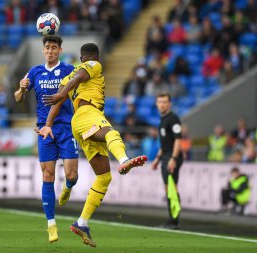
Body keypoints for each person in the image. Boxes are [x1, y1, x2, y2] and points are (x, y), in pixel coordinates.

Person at [39, 43, 147, 247]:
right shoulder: (93, 65)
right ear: (92, 58)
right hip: (89, 114)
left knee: (104, 176)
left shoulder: (65, 79)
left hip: (78, 123)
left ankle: (82, 222)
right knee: (112, 133)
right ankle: (124, 159)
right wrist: (63, 95)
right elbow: (77, 80)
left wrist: (48, 124)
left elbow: (58, 102)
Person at [13, 35, 79, 243]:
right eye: (47, 48)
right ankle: (51, 224)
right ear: (43, 51)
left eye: (54, 48)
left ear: (60, 50)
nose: (50, 51)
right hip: (44, 130)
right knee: (47, 175)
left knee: (72, 174)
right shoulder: (35, 72)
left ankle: (68, 186)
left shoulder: (68, 70)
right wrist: (22, 88)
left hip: (67, 128)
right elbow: (18, 98)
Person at [151, 92, 184, 229]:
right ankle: (172, 218)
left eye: (164, 102)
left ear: (169, 103)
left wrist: (173, 159)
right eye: (160, 102)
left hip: (172, 157)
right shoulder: (162, 120)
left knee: (172, 188)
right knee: (167, 188)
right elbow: (164, 143)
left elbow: (178, 140)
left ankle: (174, 220)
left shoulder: (173, 118)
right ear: (156, 104)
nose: (162, 104)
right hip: (165, 156)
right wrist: (157, 159)